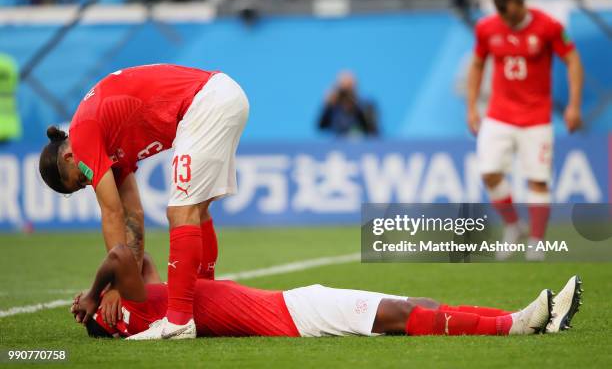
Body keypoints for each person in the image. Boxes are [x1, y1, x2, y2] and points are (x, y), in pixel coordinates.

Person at [39, 64, 249, 339]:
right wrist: (124, 283)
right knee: (197, 210)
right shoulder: (106, 140)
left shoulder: (83, 133)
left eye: (80, 180)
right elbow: (133, 215)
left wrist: (115, 288)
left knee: (180, 212)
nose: (89, 182)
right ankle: (202, 295)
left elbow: (112, 212)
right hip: (223, 95)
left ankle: (179, 321)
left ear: (68, 158)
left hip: (205, 101)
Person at [72, 243, 583, 339]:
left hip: (295, 304)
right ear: (112, 317)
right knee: (404, 313)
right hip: (296, 317)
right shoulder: (139, 311)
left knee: (416, 307)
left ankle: (541, 314)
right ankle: (515, 325)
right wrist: (98, 290)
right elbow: (122, 256)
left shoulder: (155, 311)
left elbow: (137, 260)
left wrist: (104, 293)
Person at [466, 0, 584, 261]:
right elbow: (477, 64)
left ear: (522, 4)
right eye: (504, 17)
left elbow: (573, 60)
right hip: (499, 114)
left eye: (513, 16)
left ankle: (536, 242)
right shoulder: (486, 28)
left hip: (536, 117)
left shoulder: (549, 27)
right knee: (489, 173)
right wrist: (471, 107)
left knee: (537, 180)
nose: (509, 22)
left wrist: (574, 106)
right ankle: (513, 225)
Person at [318, 71, 378, 137]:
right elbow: (321, 126)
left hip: (362, 144)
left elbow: (373, 129)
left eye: (349, 90)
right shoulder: (334, 108)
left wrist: (356, 105)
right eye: (343, 91)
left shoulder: (366, 105)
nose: (346, 96)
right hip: (339, 144)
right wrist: (327, 106)